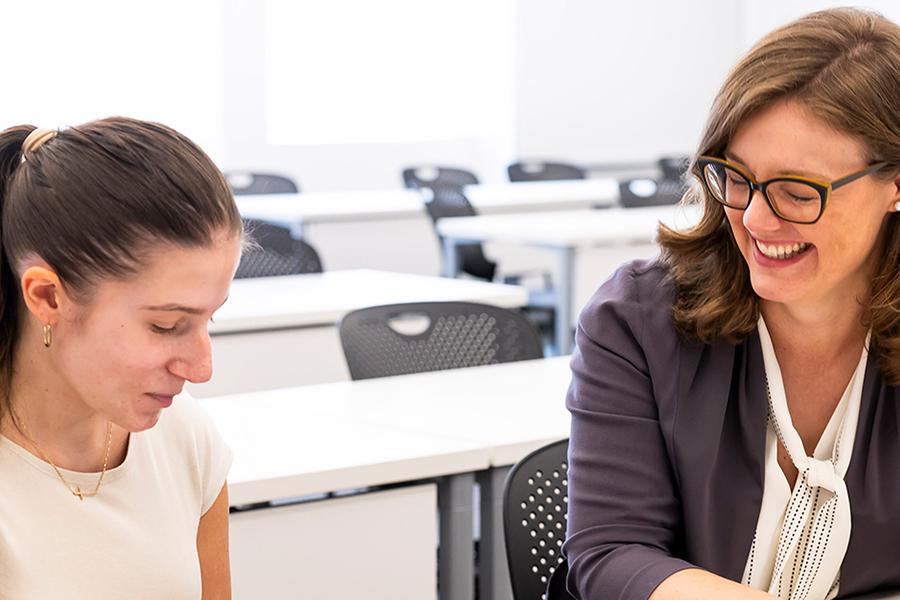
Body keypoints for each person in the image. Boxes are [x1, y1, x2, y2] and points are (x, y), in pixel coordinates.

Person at [564, 8, 900, 600]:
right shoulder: (637, 320)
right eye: (736, 178)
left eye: (799, 192)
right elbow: (611, 555)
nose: (754, 218)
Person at [0, 117, 244, 598]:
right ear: (48, 297)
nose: (201, 369)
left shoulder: (186, 438)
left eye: (208, 319)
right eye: (166, 326)